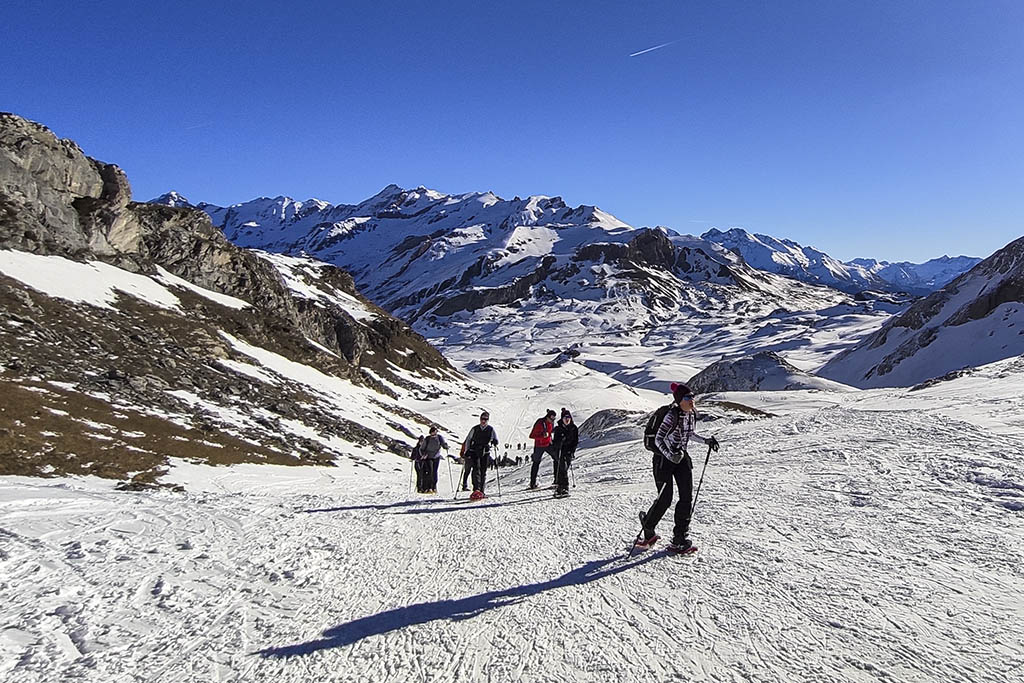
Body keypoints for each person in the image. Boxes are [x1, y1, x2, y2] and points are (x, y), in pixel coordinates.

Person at [638, 383, 720, 551]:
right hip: (663, 460)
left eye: (692, 397)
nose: (692, 400)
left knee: (686, 497)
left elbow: (689, 434)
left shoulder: (690, 415)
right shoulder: (671, 415)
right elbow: (659, 439)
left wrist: (706, 441)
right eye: (688, 397)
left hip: (681, 457)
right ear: (680, 400)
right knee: (665, 498)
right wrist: (670, 455)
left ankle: (679, 538)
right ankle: (648, 526)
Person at [462, 411, 498, 500]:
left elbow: (495, 439)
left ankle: (481, 490)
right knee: (476, 469)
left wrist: (495, 442)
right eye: (482, 419)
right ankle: (476, 489)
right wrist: (467, 451)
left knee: (483, 471)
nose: (483, 421)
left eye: (485, 419)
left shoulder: (490, 429)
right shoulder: (475, 429)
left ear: (488, 420)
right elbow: (468, 439)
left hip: (485, 452)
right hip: (475, 451)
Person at [552, 408, 579, 497]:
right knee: (562, 469)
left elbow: (575, 441)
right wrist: (560, 441)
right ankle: (563, 487)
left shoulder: (574, 428)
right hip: (560, 451)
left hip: (568, 451)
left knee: (564, 469)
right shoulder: (559, 428)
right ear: (562, 419)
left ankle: (561, 487)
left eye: (568, 418)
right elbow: (555, 441)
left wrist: (572, 450)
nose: (567, 420)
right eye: (565, 418)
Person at [528, 409, 557, 489]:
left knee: (557, 458)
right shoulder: (540, 423)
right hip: (539, 445)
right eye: (551, 419)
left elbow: (550, 432)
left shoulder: (550, 423)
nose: (552, 420)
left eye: (554, 419)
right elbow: (532, 435)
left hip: (548, 444)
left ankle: (557, 480)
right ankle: (532, 483)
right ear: (547, 417)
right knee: (536, 462)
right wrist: (542, 436)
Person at [420, 425, 448, 494]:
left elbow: (443, 444)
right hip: (428, 457)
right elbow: (422, 448)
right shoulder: (427, 439)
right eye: (433, 432)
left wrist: (445, 446)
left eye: (435, 432)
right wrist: (423, 454)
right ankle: (429, 487)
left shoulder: (439, 437)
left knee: (435, 471)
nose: (434, 434)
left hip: (436, 457)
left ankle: (434, 487)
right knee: (430, 471)